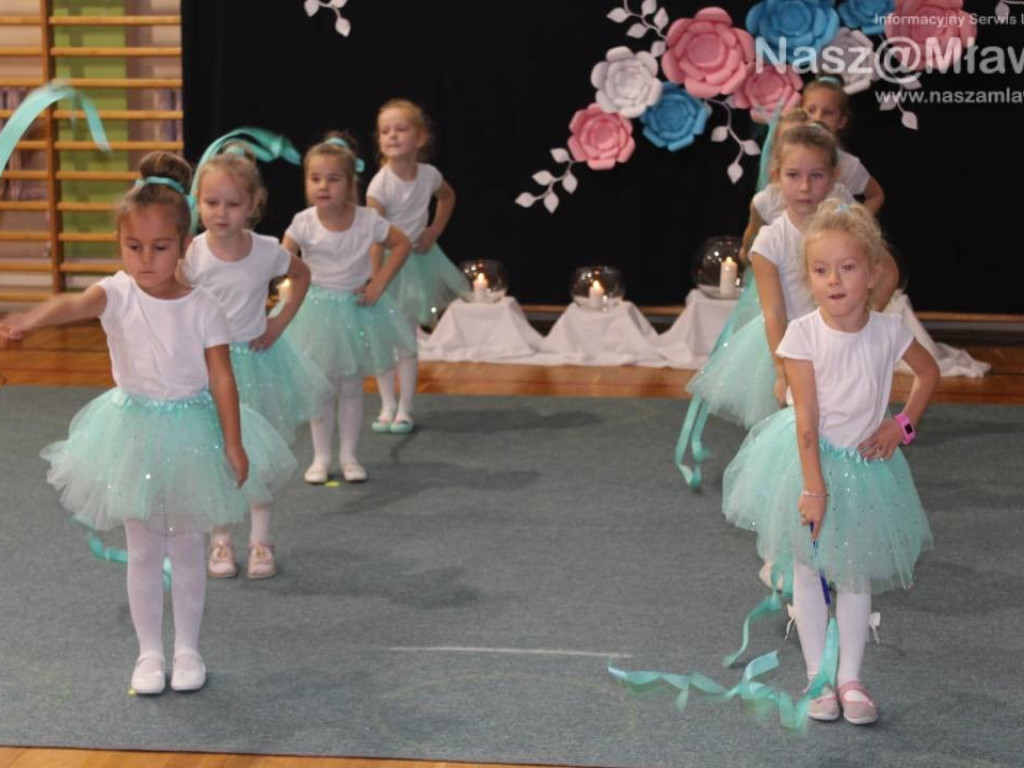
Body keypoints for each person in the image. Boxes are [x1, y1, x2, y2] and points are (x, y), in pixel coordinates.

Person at [0, 152, 294, 694]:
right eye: (133, 247)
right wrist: (31, 318)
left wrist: (233, 442)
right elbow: (71, 304)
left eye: (160, 248)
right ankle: (149, 653)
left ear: (184, 246)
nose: (145, 260)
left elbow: (222, 377)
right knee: (143, 551)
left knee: (187, 549)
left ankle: (188, 650)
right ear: (120, 244)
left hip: (192, 434)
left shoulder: (203, 306)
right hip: (132, 434)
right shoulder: (115, 293)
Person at [723, 200, 939, 725]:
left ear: (873, 273)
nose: (834, 281)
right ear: (810, 278)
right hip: (808, 464)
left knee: (856, 575)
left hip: (867, 468)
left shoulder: (889, 330)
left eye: (847, 268)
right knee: (808, 568)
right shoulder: (803, 335)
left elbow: (929, 373)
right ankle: (818, 676)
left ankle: (851, 679)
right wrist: (814, 489)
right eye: (821, 271)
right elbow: (806, 420)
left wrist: (902, 425)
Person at [184, 141, 331, 579]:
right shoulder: (192, 254)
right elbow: (176, 302)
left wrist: (279, 322)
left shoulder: (266, 250)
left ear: (253, 205)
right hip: (208, 369)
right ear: (198, 203)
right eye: (211, 203)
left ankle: (261, 541)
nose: (221, 213)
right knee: (216, 455)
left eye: (232, 204)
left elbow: (302, 275)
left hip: (257, 363)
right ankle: (220, 539)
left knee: (258, 456)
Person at [282, 132, 416, 484]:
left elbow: (401, 244)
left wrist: (379, 281)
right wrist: (290, 282)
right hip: (316, 314)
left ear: (350, 183)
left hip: (357, 310)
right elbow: (281, 258)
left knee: (352, 388)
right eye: (315, 178)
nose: (323, 186)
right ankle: (321, 457)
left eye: (333, 179)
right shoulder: (303, 222)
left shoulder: (368, 220)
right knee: (321, 389)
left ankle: (349, 456)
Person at [366, 99, 464, 434]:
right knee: (383, 338)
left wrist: (433, 231)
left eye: (400, 129)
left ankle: (405, 408)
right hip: (386, 266)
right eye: (384, 131)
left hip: (417, 264)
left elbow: (447, 197)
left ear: (420, 138)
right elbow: (375, 237)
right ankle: (386, 405)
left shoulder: (429, 175)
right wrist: (377, 279)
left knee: (406, 338)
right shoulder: (380, 185)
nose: (391, 136)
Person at [800, 76, 885, 215]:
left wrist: (857, 223)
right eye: (811, 110)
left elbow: (876, 196)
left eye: (828, 112)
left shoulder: (849, 165)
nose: (817, 118)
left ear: (841, 121)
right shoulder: (787, 156)